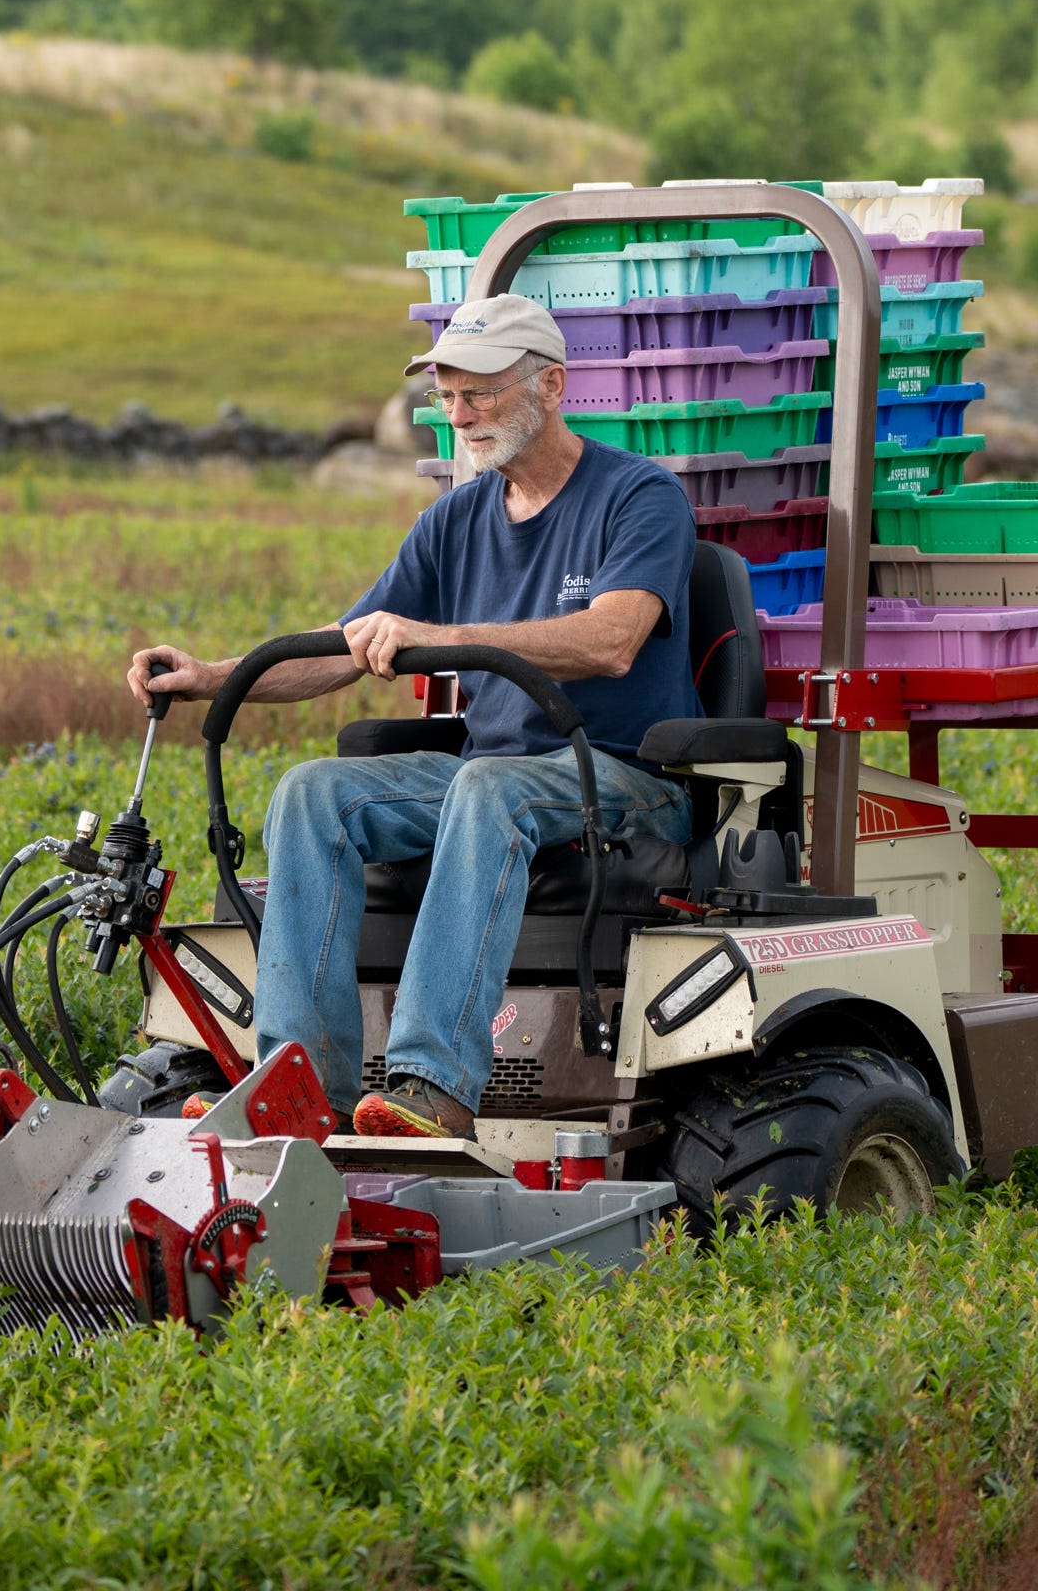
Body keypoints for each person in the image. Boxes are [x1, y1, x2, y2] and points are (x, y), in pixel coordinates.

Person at [127, 293, 698, 1139]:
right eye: (448, 395)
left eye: (482, 393)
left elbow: (613, 641)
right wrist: (212, 677)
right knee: (313, 793)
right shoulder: (458, 517)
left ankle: (430, 1087)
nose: (460, 415)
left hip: (624, 774)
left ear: (552, 387)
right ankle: (298, 1086)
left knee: (487, 792)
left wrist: (442, 635)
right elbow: (345, 647)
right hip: (491, 774)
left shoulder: (639, 497)